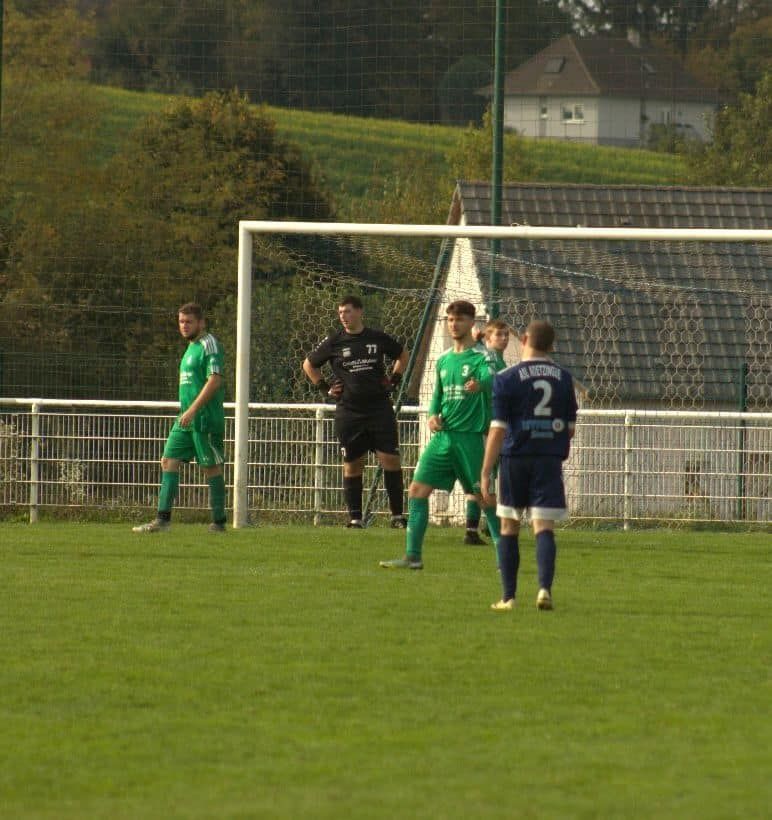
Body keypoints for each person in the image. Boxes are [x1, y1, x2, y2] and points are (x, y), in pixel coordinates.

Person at [380, 300, 501, 570]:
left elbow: (494, 378)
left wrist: (479, 384)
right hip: (444, 438)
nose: (454, 324)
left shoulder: (483, 355)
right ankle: (413, 557)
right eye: (450, 319)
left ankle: (505, 556)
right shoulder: (444, 359)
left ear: (472, 323)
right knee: (417, 490)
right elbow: (437, 396)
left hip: (471, 438)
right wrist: (433, 415)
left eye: (459, 319)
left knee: (484, 498)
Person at [480, 319, 578, 611]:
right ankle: (544, 589)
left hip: (515, 459)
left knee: (509, 526)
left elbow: (497, 429)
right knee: (543, 525)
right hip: (547, 459)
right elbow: (570, 429)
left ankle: (509, 597)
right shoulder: (564, 378)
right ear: (551, 346)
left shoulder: (507, 377)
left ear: (523, 339)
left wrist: (485, 471)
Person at [302, 295, 409, 528]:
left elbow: (402, 355)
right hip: (349, 411)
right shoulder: (334, 342)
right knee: (352, 463)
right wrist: (325, 388)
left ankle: (397, 517)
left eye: (348, 311)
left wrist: (394, 379)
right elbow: (309, 364)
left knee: (390, 459)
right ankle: (355, 519)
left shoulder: (376, 338)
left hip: (379, 409)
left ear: (360, 312)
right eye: (341, 313)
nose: (344, 316)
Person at [133, 302, 228, 533]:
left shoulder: (209, 344)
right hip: (185, 419)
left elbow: (215, 380)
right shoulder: (189, 349)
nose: (184, 326)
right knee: (168, 461)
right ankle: (162, 520)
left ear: (201, 322)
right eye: (181, 322)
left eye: (189, 322)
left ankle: (219, 522)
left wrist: (194, 409)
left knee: (210, 467)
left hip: (203, 418)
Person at [463, 319, 510, 545]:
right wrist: (479, 385)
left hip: (498, 427)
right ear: (490, 339)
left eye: (506, 335)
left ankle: (483, 527)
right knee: (485, 478)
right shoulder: (489, 358)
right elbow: (489, 379)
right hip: (486, 427)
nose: (504, 338)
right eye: (499, 335)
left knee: (490, 478)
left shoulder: (497, 359)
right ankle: (475, 529)